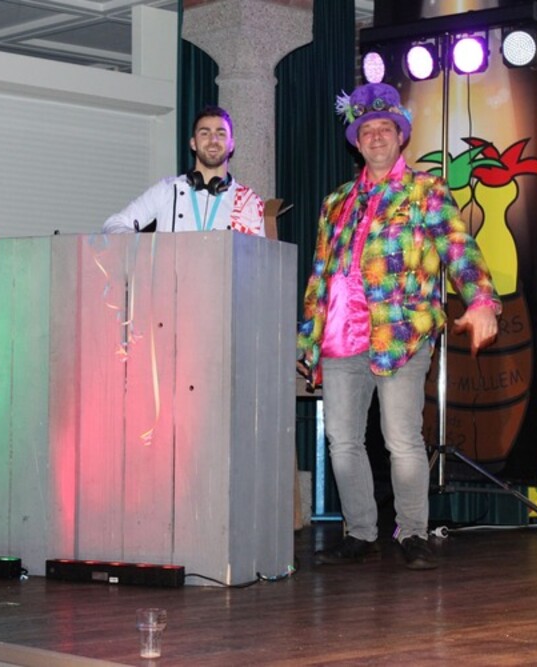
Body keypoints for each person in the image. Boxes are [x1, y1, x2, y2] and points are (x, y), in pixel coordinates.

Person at [297, 83, 500, 571]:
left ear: (400, 136)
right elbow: (321, 272)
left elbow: (458, 246)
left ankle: (412, 532)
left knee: (401, 439)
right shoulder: (336, 202)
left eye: (384, 129)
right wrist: (309, 336)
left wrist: (481, 300)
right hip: (341, 335)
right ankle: (360, 532)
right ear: (356, 141)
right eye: (366, 130)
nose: (376, 137)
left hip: (401, 333)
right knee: (341, 440)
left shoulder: (425, 190)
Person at [102, 106, 264, 236]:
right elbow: (114, 224)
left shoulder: (248, 202)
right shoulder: (167, 189)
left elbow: (260, 259)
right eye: (205, 133)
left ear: (232, 145)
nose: (213, 140)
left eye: (220, 134)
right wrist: (140, 246)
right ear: (193, 143)